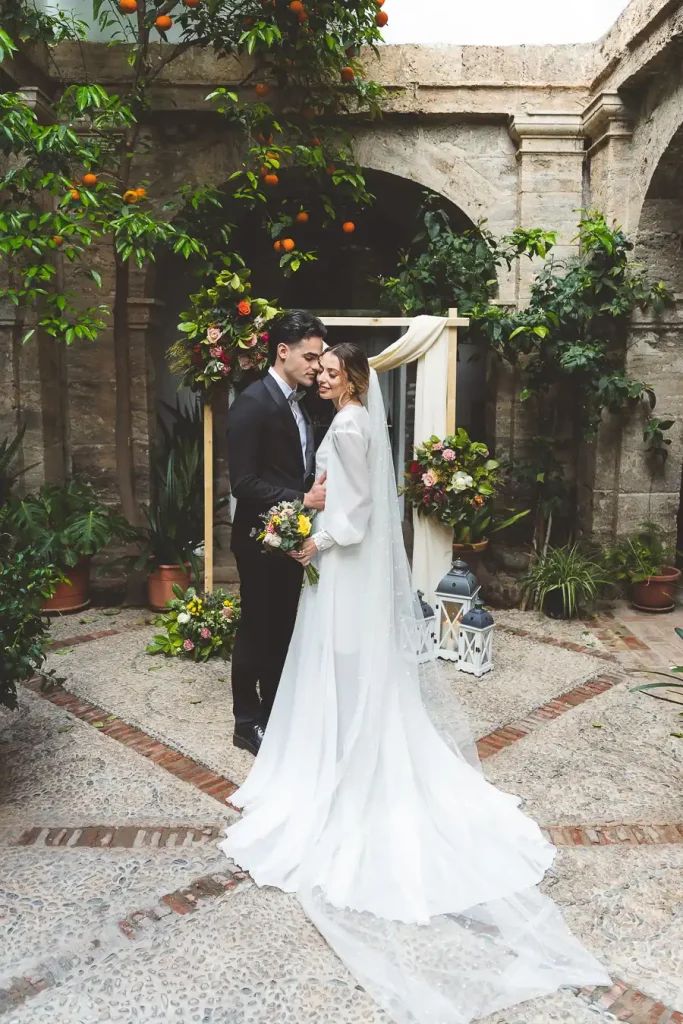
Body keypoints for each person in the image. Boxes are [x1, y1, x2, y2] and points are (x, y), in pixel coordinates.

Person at [220, 343, 610, 1024]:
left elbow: (359, 511)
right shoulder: (363, 421)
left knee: (336, 659)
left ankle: (340, 756)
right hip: (348, 567)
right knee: (345, 662)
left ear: (354, 380)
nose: (324, 376)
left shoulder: (346, 425)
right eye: (321, 370)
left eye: (333, 371)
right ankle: (347, 739)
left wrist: (314, 541)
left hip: (340, 564)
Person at [226, 309, 327, 756]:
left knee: (283, 629)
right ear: (282, 351)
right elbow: (243, 484)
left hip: (289, 538)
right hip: (257, 541)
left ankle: (275, 713)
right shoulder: (252, 402)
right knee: (256, 629)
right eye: (309, 356)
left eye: (319, 357)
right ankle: (247, 723)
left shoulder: (300, 403)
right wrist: (303, 499)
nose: (316, 365)